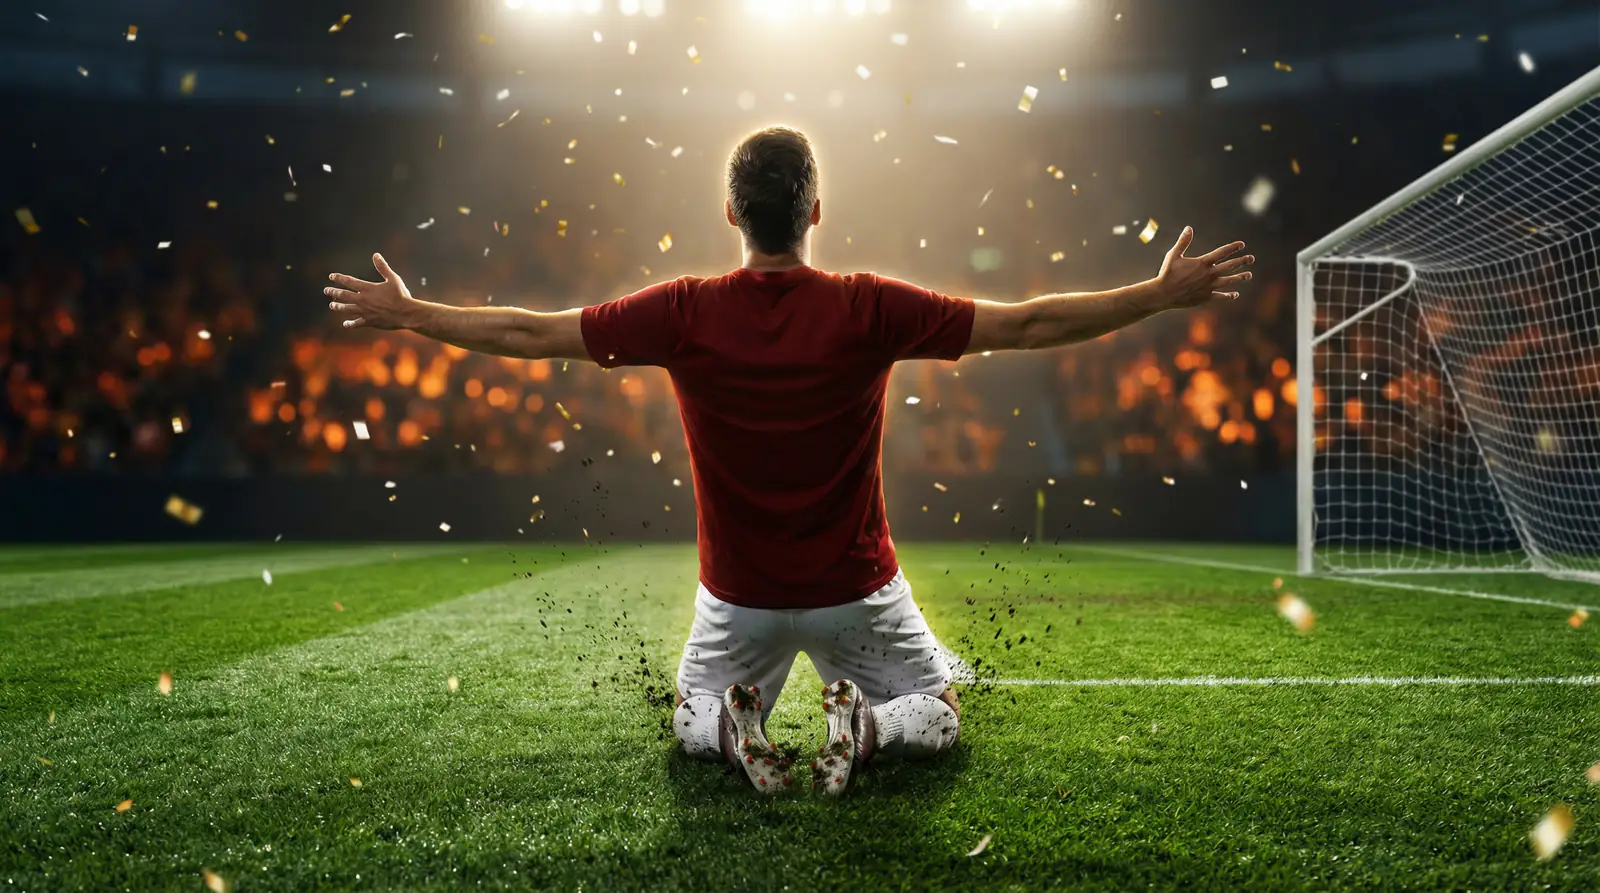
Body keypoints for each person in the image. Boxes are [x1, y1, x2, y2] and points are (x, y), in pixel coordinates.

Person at [324, 126, 1253, 795]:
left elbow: (533, 332)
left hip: (740, 603)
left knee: (687, 718)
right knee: (942, 709)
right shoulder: (866, 305)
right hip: (860, 591)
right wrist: (1157, 295)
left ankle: (729, 736)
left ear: (731, 211)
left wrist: (414, 315)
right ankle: (876, 725)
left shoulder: (684, 310)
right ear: (816, 209)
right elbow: (1032, 322)